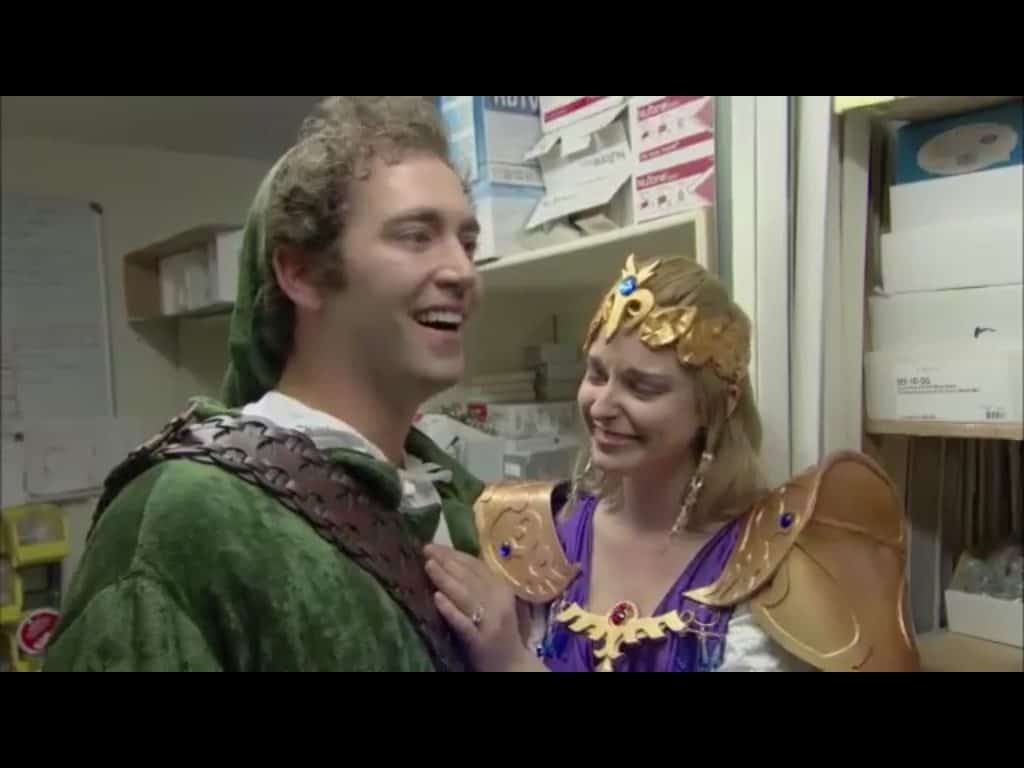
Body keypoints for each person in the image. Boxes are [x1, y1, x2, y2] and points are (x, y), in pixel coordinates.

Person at [44, 96, 485, 672]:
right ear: (300, 272)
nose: (462, 272)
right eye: (416, 236)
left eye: (467, 243)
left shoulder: (460, 505)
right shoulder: (185, 520)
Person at [424, 254, 921, 672]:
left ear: (716, 406)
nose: (602, 405)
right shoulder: (536, 537)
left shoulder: (768, 566)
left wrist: (512, 664)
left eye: (642, 387)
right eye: (596, 374)